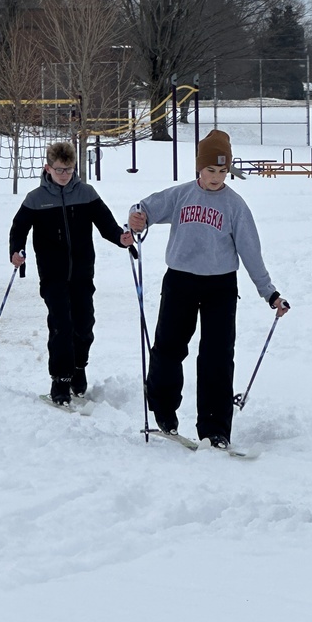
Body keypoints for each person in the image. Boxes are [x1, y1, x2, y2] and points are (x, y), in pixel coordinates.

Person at [127, 129, 289, 450]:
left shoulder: (235, 207)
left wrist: (269, 293)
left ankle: (215, 429)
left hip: (220, 287)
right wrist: (138, 217)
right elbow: (145, 207)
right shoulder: (181, 195)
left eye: (223, 170)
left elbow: (251, 253)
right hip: (179, 282)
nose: (216, 177)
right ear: (198, 168)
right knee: (168, 348)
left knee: (217, 356)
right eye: (210, 170)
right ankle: (163, 409)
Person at [9, 141, 133, 405]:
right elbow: (19, 228)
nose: (64, 175)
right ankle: (61, 380)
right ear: (48, 168)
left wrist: (120, 238)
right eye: (59, 170)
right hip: (52, 275)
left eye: (68, 169)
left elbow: (106, 224)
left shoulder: (86, 193)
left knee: (84, 326)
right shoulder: (36, 199)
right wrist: (16, 250)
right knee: (61, 326)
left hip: (82, 272)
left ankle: (79, 368)